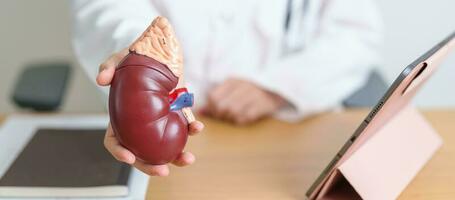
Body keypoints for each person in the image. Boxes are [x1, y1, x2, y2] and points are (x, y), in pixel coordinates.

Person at [70, 0, 383, 176]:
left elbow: (355, 32)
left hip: (287, 136)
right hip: (173, 115)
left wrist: (277, 88)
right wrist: (143, 57)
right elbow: (107, 7)